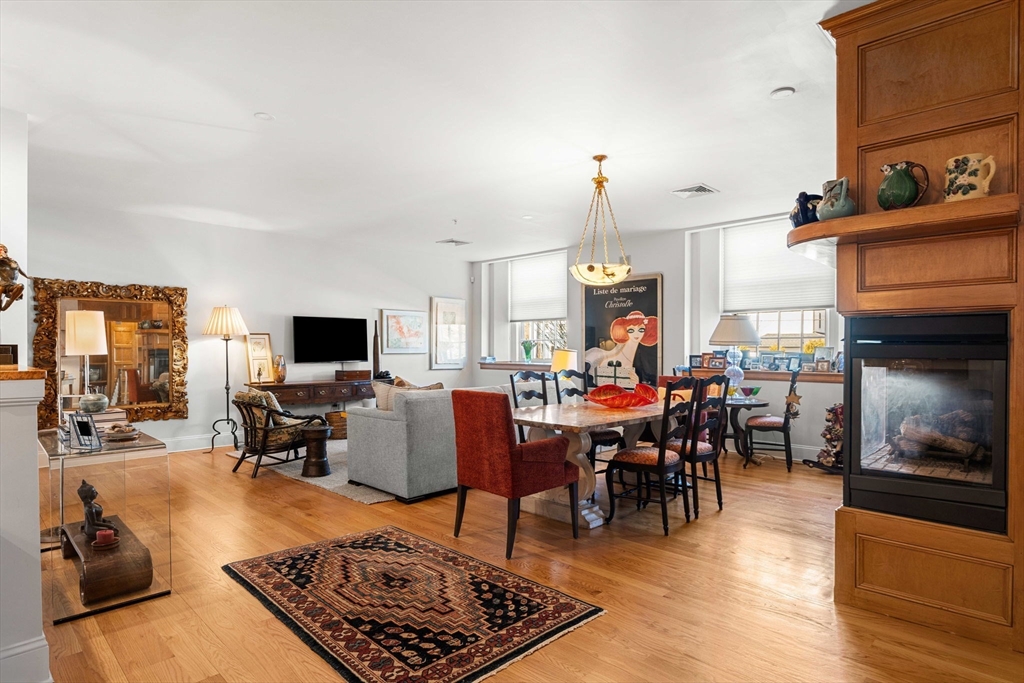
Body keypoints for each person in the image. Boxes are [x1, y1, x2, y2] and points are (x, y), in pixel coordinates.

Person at [584, 310, 659, 385]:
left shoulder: (642, 357)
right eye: (631, 330)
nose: (636, 334)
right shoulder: (607, 359)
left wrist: (636, 383)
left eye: (641, 330)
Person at [0, 243, 29, 312]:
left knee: (21, 286)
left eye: (1, 249)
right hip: (3, 285)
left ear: (5, 250)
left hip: (12, 285)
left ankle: (9, 302)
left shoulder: (13, 262)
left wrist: (27, 276)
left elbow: (20, 271)